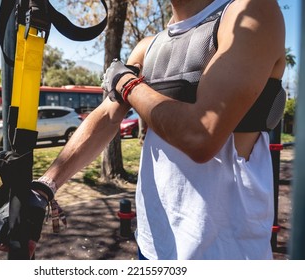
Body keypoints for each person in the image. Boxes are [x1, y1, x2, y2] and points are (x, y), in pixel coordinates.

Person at [31, 0, 286, 259]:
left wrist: (127, 84)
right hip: (153, 244)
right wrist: (45, 186)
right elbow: (107, 115)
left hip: (225, 251)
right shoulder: (147, 47)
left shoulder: (250, 11)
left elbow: (201, 136)